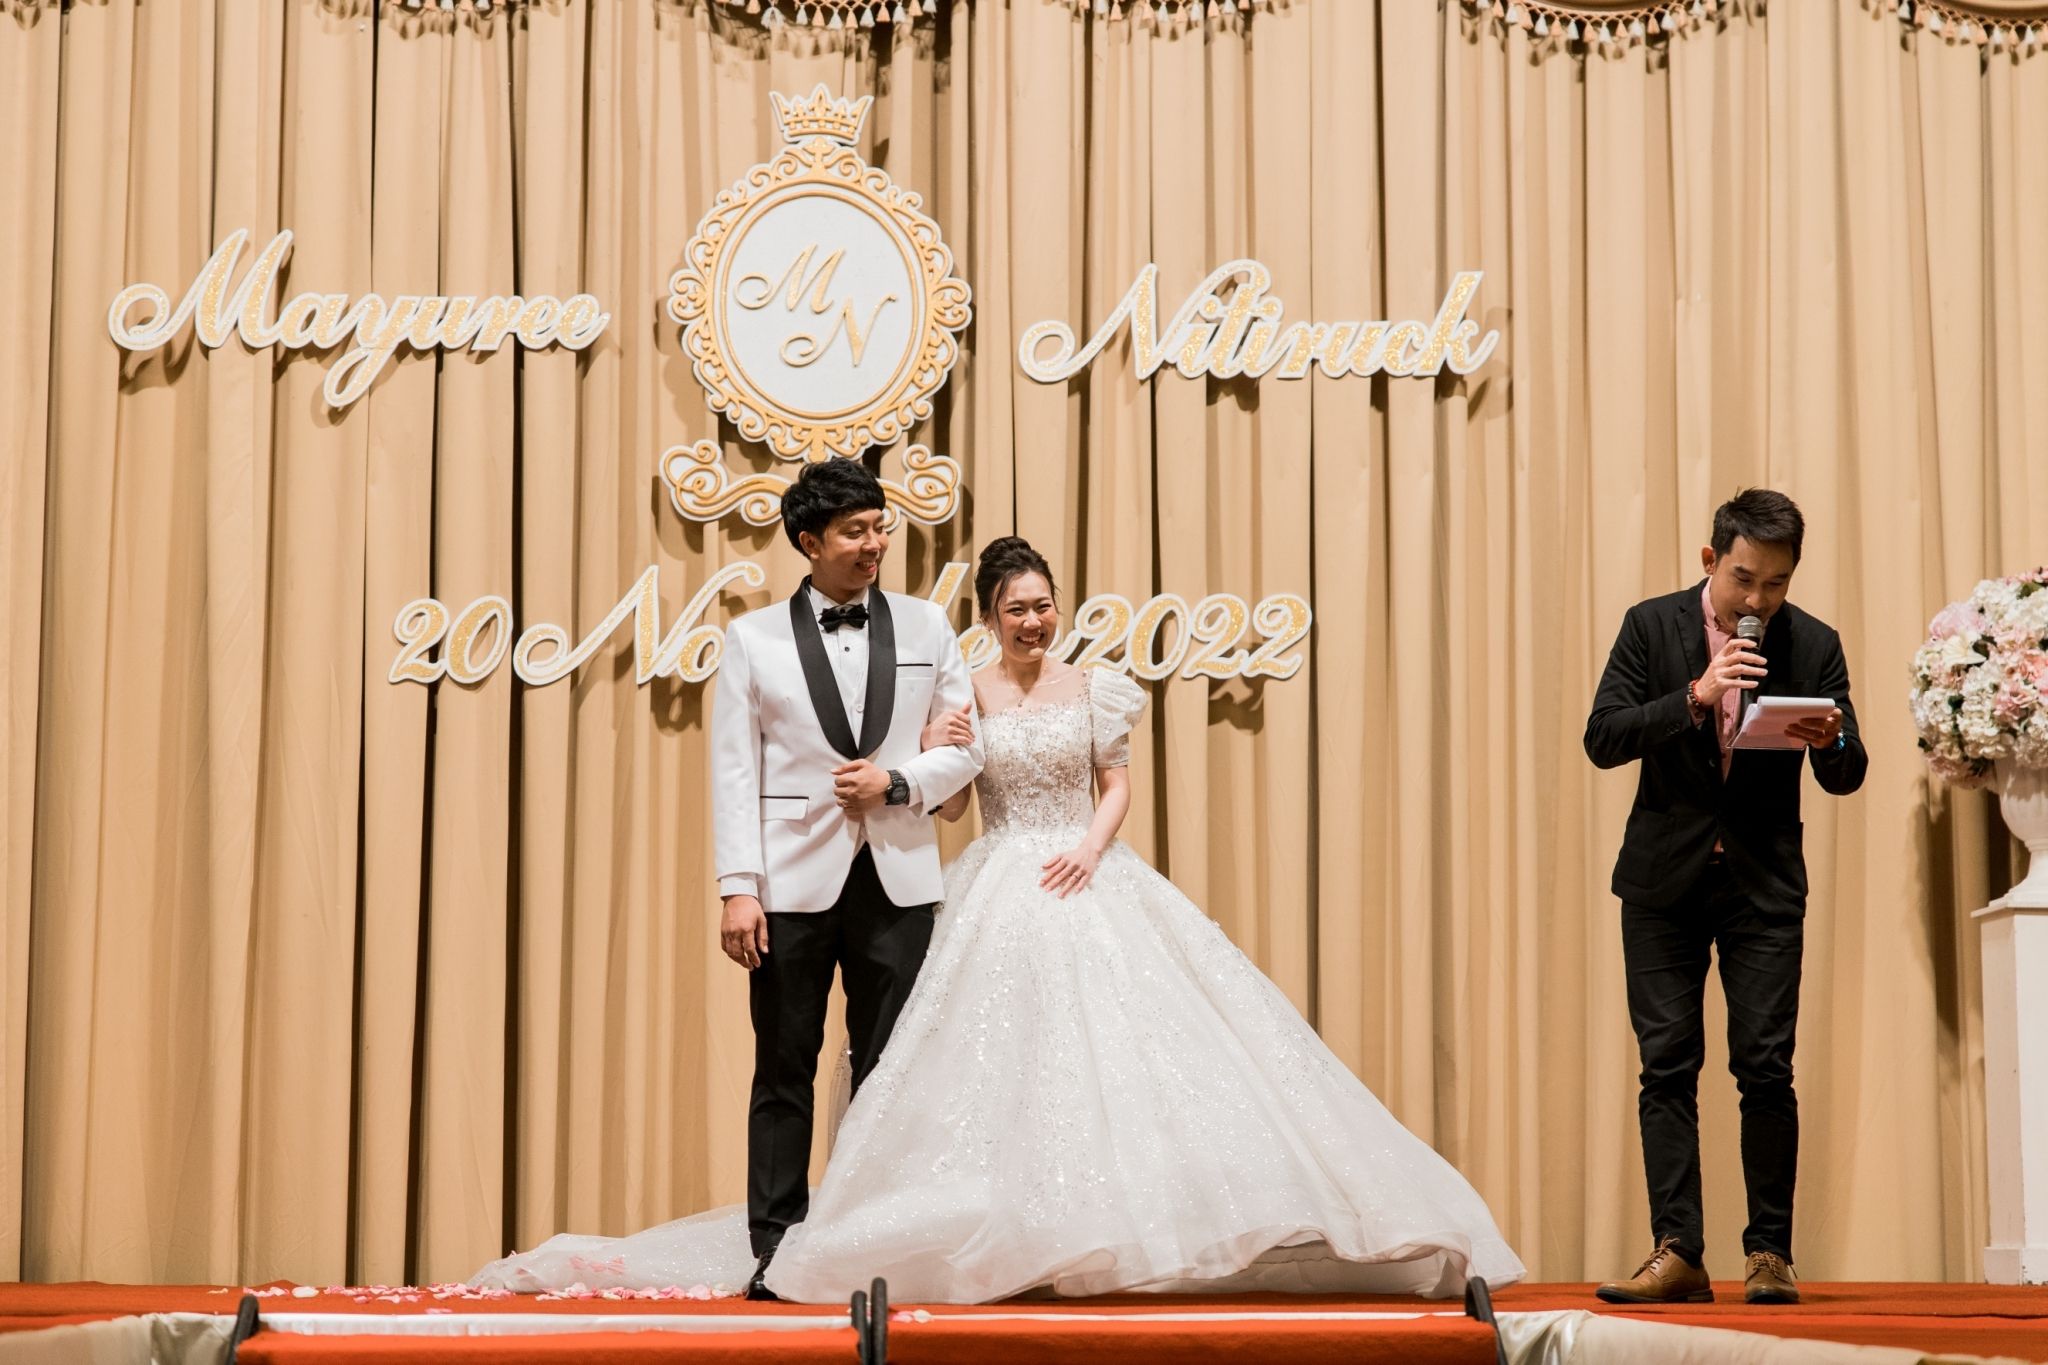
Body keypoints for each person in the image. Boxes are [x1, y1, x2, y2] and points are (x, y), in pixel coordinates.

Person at [472, 535, 1523, 1303]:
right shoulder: (962, 691)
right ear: (987, 614)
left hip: (1085, 872)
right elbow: (949, 794)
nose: (1034, 620)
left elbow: (1115, 780)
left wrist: (1091, 846)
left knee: (1132, 1057)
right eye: (1017, 607)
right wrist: (912, 774)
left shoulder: (1094, 686)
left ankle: (1121, 1230)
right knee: (981, 1066)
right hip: (992, 882)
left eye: (1044, 604)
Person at [708, 457, 983, 1300]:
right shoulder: (752, 638)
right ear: (808, 540)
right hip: (788, 884)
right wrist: (738, 885)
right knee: (784, 1066)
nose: (875, 543)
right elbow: (734, 770)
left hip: (899, 879)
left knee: (892, 1070)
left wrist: (897, 781)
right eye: (855, 531)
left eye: (880, 526)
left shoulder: (928, 625)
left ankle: (875, 1239)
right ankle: (774, 1250)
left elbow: (966, 748)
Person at [1584, 489, 1866, 1307]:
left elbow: (1848, 772)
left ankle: (1769, 1252)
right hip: (1662, 881)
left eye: (1776, 584)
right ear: (1711, 560)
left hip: (1763, 884)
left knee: (1765, 1067)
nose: (1758, 601)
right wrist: (1696, 696)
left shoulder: (1814, 643)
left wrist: (1831, 738)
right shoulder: (1651, 626)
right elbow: (1603, 736)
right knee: (1667, 1065)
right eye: (1745, 578)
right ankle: (1678, 1250)